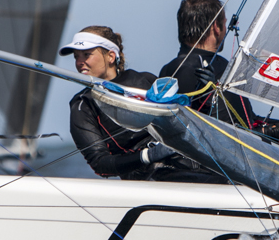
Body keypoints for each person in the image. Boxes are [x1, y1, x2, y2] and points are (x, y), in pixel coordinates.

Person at [159, 0, 279, 145]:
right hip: (228, 152)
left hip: (238, 139)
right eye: (226, 23)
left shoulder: (168, 70)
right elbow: (231, 131)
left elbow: (244, 121)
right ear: (216, 28)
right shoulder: (212, 68)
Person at [63, 25, 226, 183]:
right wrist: (148, 155)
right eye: (76, 57)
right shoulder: (83, 104)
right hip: (149, 177)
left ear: (111, 56)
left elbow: (189, 123)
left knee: (227, 180)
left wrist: (207, 94)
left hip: (189, 163)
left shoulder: (144, 80)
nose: (79, 62)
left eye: (86, 55)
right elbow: (100, 164)